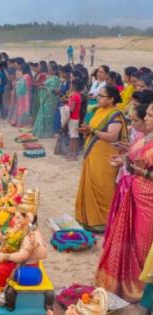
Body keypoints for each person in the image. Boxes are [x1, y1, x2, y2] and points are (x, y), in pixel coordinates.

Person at [96, 102, 152, 302]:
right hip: (135, 191)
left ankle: (141, 288)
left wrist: (141, 172)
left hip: (149, 199)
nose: (146, 118)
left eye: (150, 115)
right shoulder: (147, 138)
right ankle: (127, 283)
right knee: (132, 239)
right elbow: (138, 161)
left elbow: (147, 170)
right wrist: (126, 162)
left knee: (143, 242)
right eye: (146, 114)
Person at [75, 86, 128, 233]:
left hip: (105, 158)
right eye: (98, 96)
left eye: (102, 96)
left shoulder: (115, 115)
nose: (98, 98)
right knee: (92, 183)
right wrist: (87, 130)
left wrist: (92, 131)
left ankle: (104, 222)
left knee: (103, 187)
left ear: (111, 99)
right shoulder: (99, 111)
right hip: (93, 154)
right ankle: (89, 220)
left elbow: (111, 136)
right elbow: (95, 130)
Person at [32, 63, 61, 138]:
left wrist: (43, 88)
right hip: (45, 99)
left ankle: (49, 133)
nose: (49, 70)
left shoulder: (56, 79)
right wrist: (42, 87)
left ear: (54, 70)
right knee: (44, 115)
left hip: (51, 100)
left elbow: (54, 90)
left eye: (50, 69)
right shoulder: (49, 77)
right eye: (48, 69)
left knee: (49, 116)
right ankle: (44, 132)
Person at [67, 79, 84, 160]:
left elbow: (71, 109)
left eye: (72, 84)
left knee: (73, 137)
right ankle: (71, 153)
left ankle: (73, 155)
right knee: (73, 136)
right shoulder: (77, 95)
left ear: (74, 86)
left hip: (73, 118)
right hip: (75, 118)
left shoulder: (74, 96)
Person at [11, 63, 33, 127]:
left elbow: (26, 86)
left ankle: (23, 123)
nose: (21, 70)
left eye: (22, 69)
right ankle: (18, 122)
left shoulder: (27, 76)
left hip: (25, 96)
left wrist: (17, 83)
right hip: (21, 96)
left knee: (24, 109)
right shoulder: (24, 76)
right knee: (20, 109)